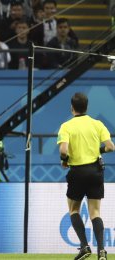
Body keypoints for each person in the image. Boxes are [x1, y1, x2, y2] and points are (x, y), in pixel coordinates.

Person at [57, 93, 114, 260]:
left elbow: (63, 150)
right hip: (96, 171)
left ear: (71, 107)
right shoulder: (97, 124)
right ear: (87, 107)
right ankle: (102, 251)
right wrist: (97, 151)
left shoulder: (66, 126)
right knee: (95, 212)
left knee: (74, 209)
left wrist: (64, 160)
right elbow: (110, 147)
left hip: (78, 173)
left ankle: (84, 246)